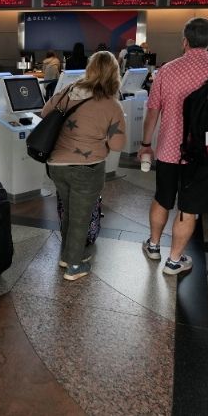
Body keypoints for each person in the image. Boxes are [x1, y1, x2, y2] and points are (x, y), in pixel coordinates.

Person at [139, 18, 208, 275]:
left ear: (184, 40)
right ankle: (174, 261)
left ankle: (153, 246)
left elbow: (152, 112)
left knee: (162, 199)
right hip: (203, 154)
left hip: (168, 151)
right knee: (189, 208)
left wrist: (145, 145)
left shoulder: (166, 70)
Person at [42, 51, 126, 280]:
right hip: (87, 168)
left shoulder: (69, 91)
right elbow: (118, 144)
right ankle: (74, 266)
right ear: (114, 74)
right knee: (81, 215)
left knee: (69, 210)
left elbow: (44, 112)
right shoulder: (111, 104)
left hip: (57, 164)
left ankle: (67, 255)